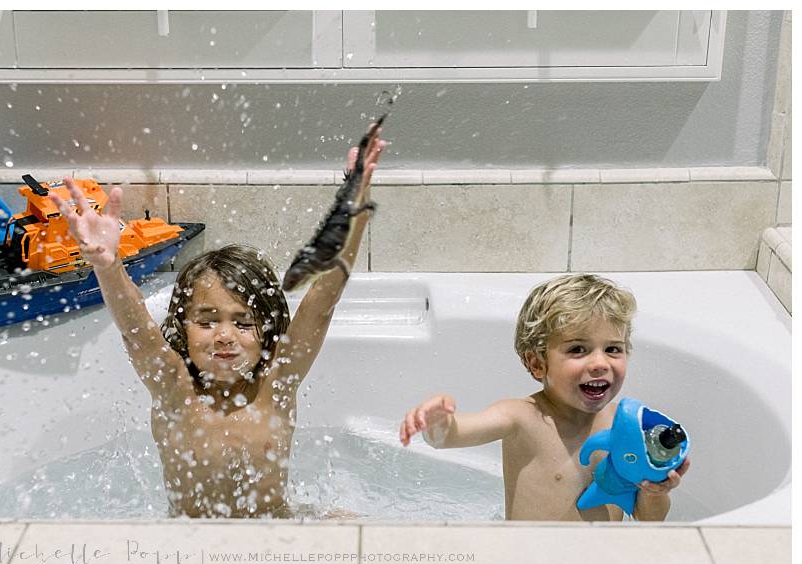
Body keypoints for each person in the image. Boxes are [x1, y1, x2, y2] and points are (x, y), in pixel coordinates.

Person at [51, 129, 385, 518]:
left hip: (275, 533)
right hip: (194, 544)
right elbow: (136, 332)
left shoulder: (277, 383)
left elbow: (322, 302)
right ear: (183, 325)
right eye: (208, 321)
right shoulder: (175, 387)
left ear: (269, 332)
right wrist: (108, 268)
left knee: (351, 526)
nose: (225, 336)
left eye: (244, 324)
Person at [398, 273, 690, 522]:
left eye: (613, 349)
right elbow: (451, 437)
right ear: (537, 364)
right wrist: (438, 422)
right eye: (578, 349)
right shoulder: (521, 416)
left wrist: (656, 492)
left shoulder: (625, 427)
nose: (600, 363)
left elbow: (647, 518)